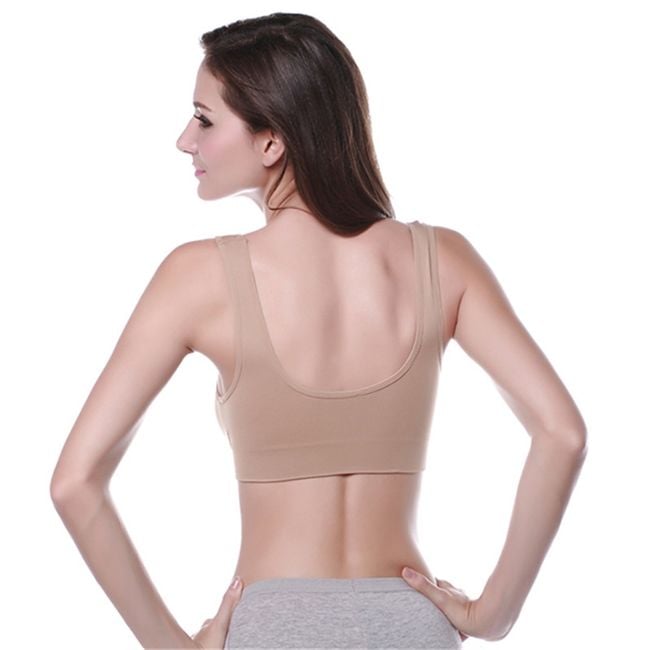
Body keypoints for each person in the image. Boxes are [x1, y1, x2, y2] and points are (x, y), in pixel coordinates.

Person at [50, 12, 588, 650]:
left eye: (204, 119)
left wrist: (174, 647)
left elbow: (75, 482)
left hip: (274, 625)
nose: (185, 140)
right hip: (411, 624)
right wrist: (495, 613)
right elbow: (562, 433)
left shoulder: (197, 277)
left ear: (271, 142)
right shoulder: (442, 260)